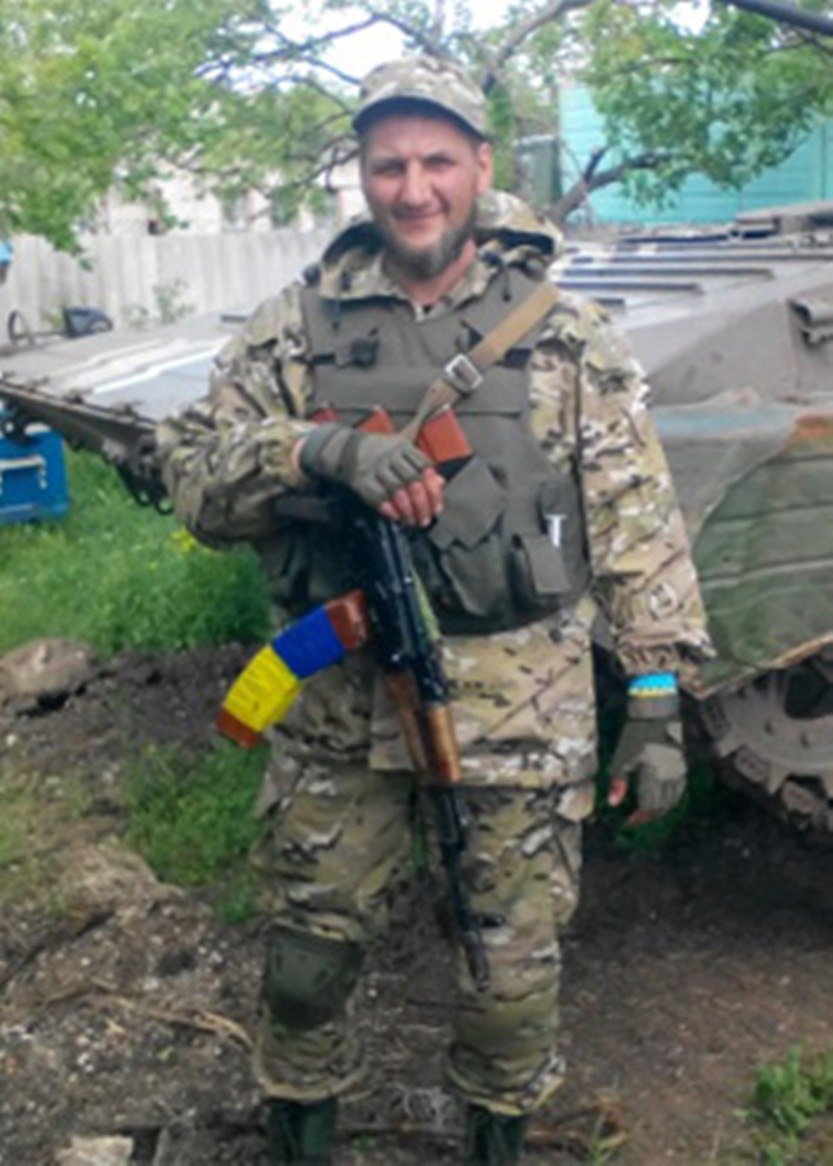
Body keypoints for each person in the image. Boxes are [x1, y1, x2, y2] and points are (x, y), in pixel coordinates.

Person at [156, 55, 713, 1165]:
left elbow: (635, 524)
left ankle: (494, 1145)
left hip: (520, 713)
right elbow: (191, 477)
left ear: (480, 165)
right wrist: (316, 449)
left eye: (437, 162)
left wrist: (654, 702)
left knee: (510, 979)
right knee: (305, 965)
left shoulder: (562, 333)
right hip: (334, 711)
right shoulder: (293, 326)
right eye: (388, 165)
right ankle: (300, 1140)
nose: (413, 189)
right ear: (362, 175)